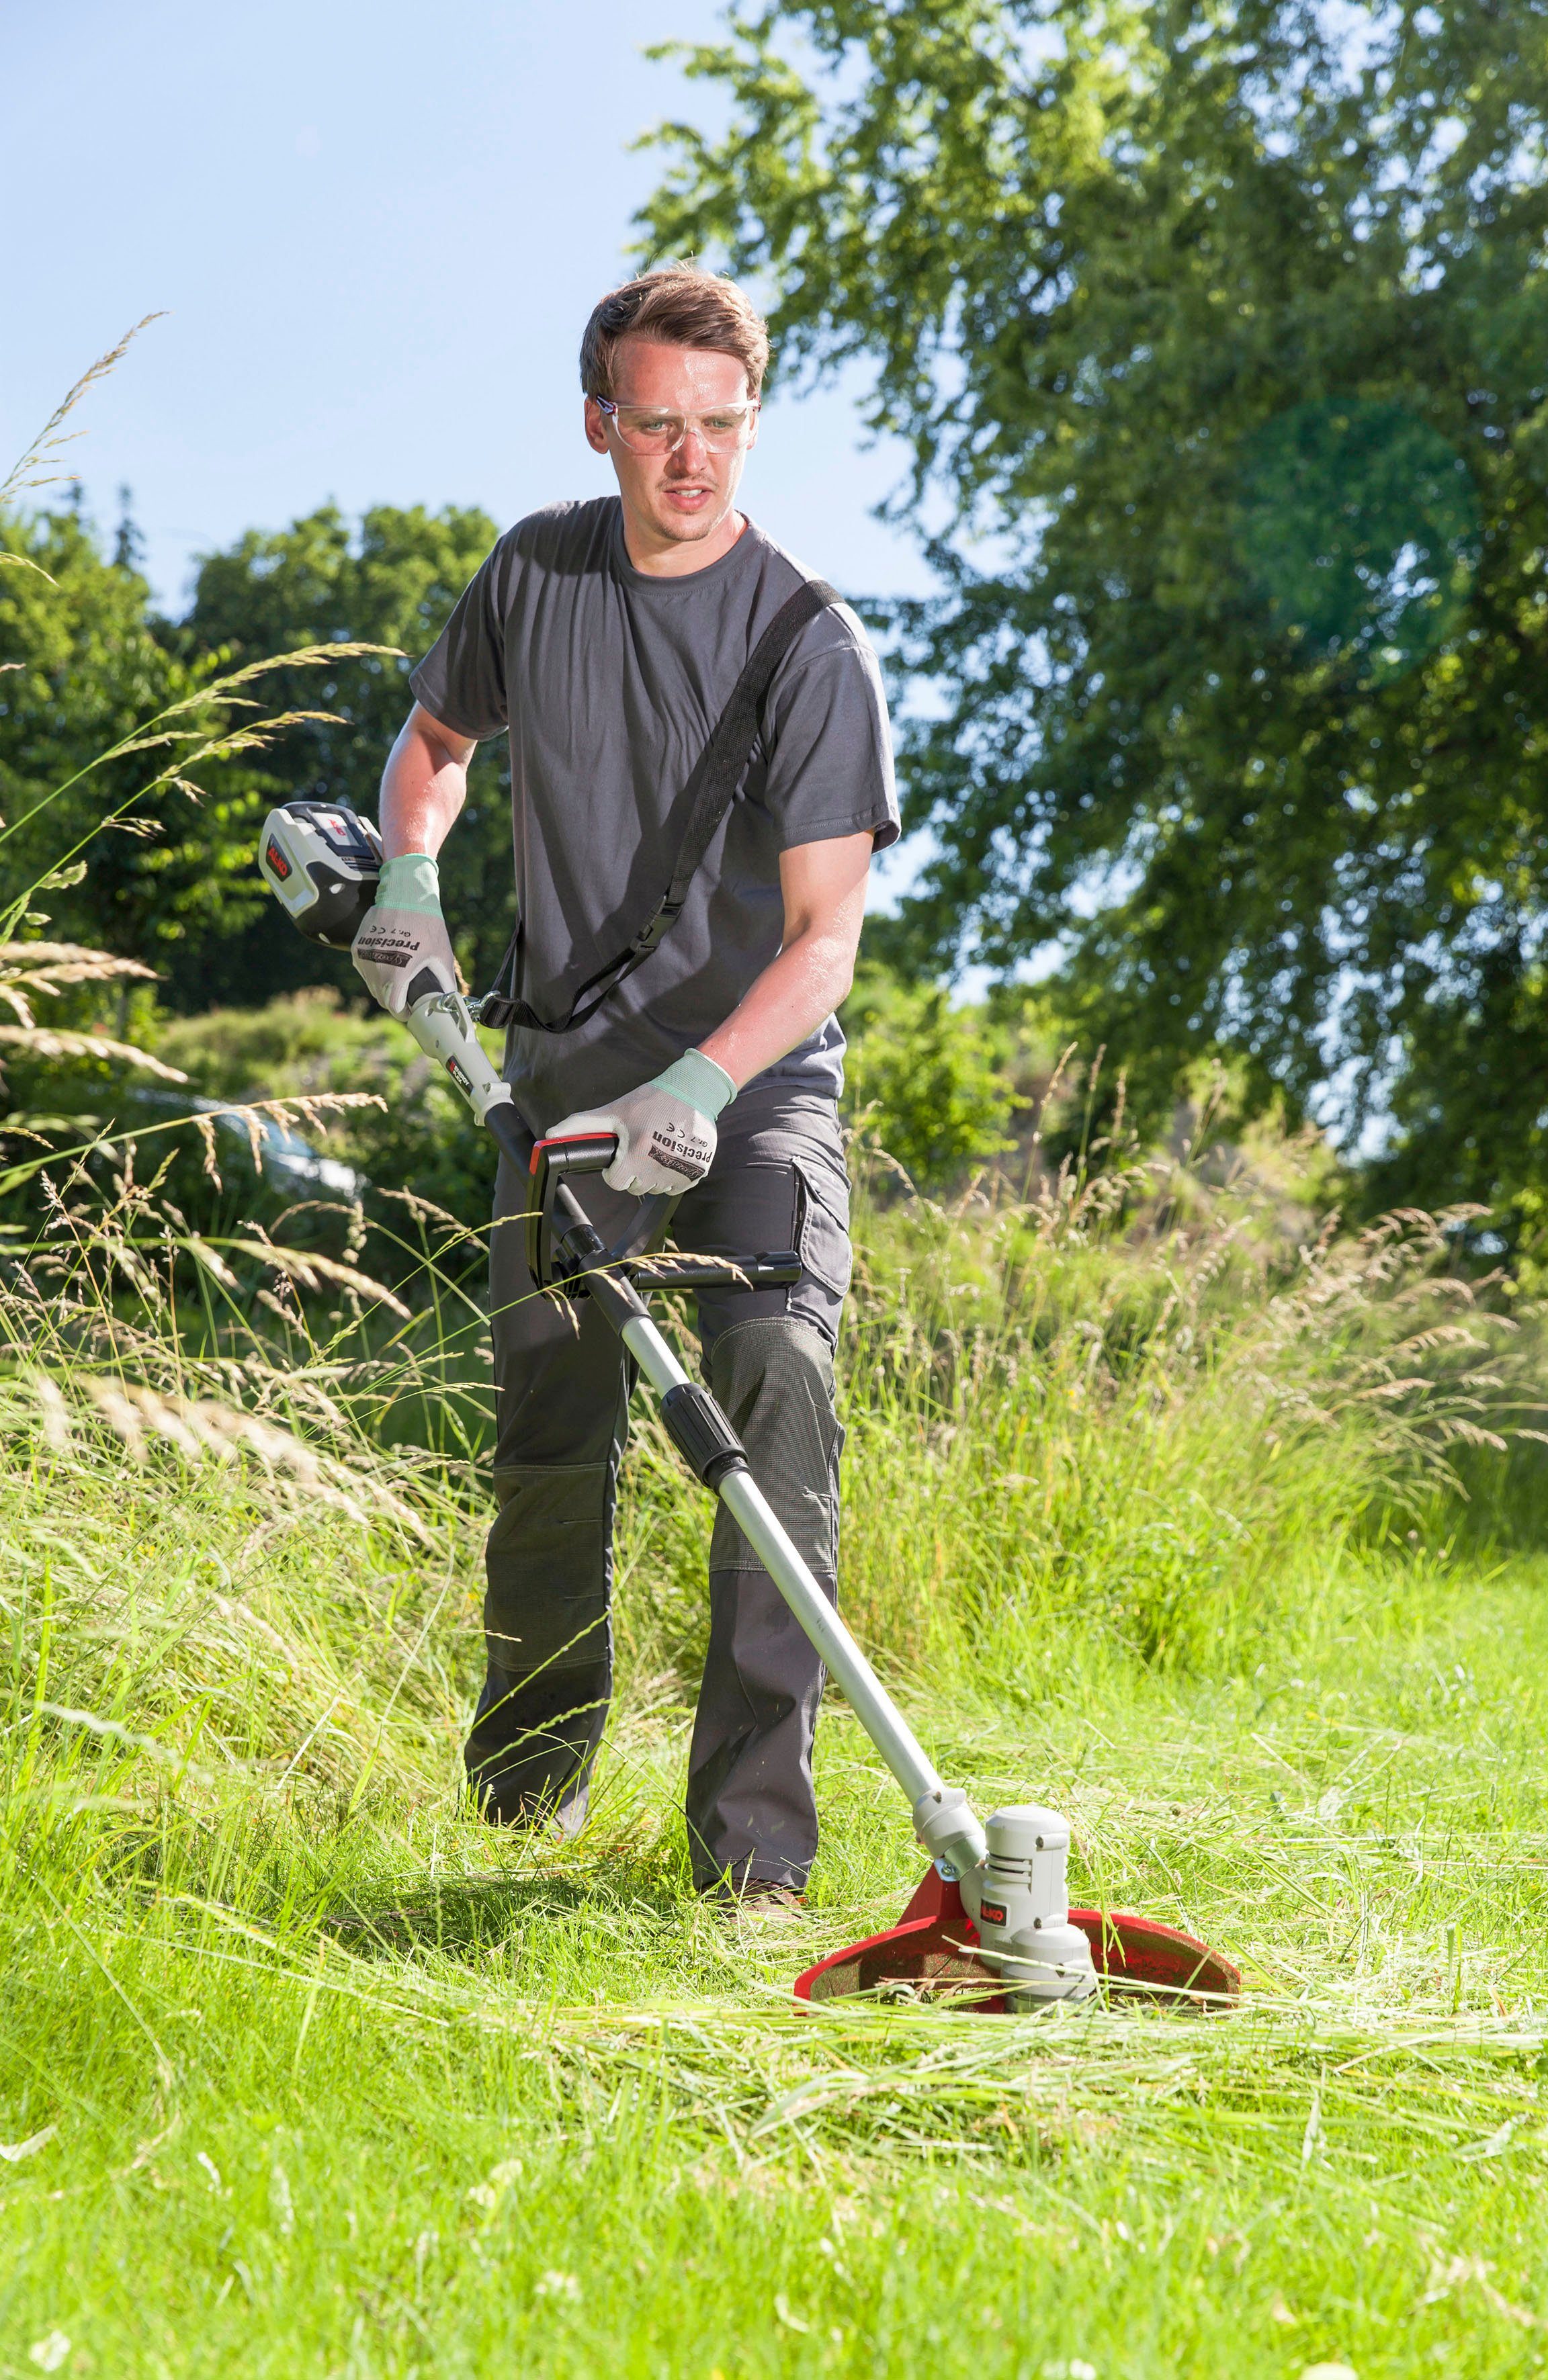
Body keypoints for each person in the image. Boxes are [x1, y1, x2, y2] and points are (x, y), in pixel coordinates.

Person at [350, 265, 897, 1908]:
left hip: (750, 1091)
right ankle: (517, 1818)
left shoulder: (807, 639)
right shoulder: (533, 573)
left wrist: (706, 1079)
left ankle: (752, 1865)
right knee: (548, 1438)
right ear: (600, 423)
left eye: (719, 429)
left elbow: (822, 940)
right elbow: (435, 741)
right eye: (655, 427)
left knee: (771, 1375)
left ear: (749, 427)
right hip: (562, 1098)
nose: (689, 462)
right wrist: (406, 875)